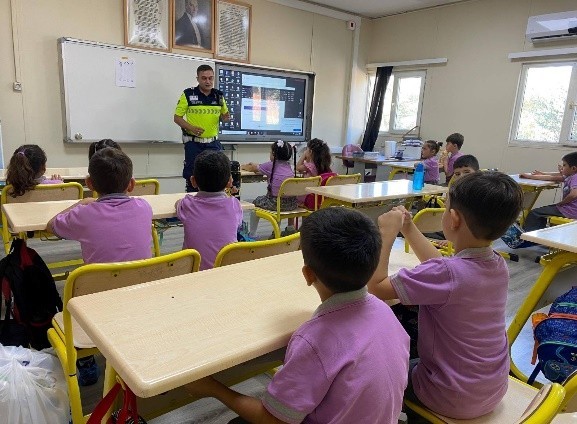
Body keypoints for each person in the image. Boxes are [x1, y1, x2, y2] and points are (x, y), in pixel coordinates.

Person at [185, 207, 410, 424]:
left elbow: (272, 420)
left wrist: (212, 388)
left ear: (308, 274)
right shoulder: (386, 312)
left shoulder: (313, 340)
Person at [368, 172, 523, 419]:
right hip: (491, 389)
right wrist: (408, 228)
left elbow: (376, 287)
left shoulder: (446, 274)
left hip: (448, 394)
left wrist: (385, 235)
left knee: (377, 372)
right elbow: (443, 268)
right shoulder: (496, 264)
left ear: (453, 219)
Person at [176, 150, 242, 270]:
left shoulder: (188, 204)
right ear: (230, 181)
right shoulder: (234, 205)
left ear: (193, 181)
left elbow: (177, 204)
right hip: (227, 271)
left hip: (194, 272)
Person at [174, 64, 230, 192]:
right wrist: (191, 128)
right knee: (192, 177)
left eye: (210, 78)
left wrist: (225, 118)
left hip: (213, 144)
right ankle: (192, 201)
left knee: (216, 176)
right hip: (194, 144)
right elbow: (177, 118)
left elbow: (224, 116)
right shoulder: (188, 94)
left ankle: (213, 201)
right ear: (198, 79)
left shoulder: (219, 95)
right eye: (204, 78)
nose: (208, 81)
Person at [241, 140, 297, 237]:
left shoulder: (271, 165)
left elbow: (253, 168)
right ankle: (278, 231)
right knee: (278, 200)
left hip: (275, 204)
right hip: (292, 204)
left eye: (270, 152)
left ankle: (252, 235)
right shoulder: (289, 167)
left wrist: (244, 166)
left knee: (254, 204)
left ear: (274, 154)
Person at [521, 152, 577, 232]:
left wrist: (561, 203)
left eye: (564, 165)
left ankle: (529, 237)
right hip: (571, 210)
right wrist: (531, 176)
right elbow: (552, 177)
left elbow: (574, 194)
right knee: (542, 213)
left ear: (573, 168)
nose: (562, 168)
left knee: (535, 213)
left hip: (570, 210)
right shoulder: (570, 176)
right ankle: (540, 235)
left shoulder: (575, 177)